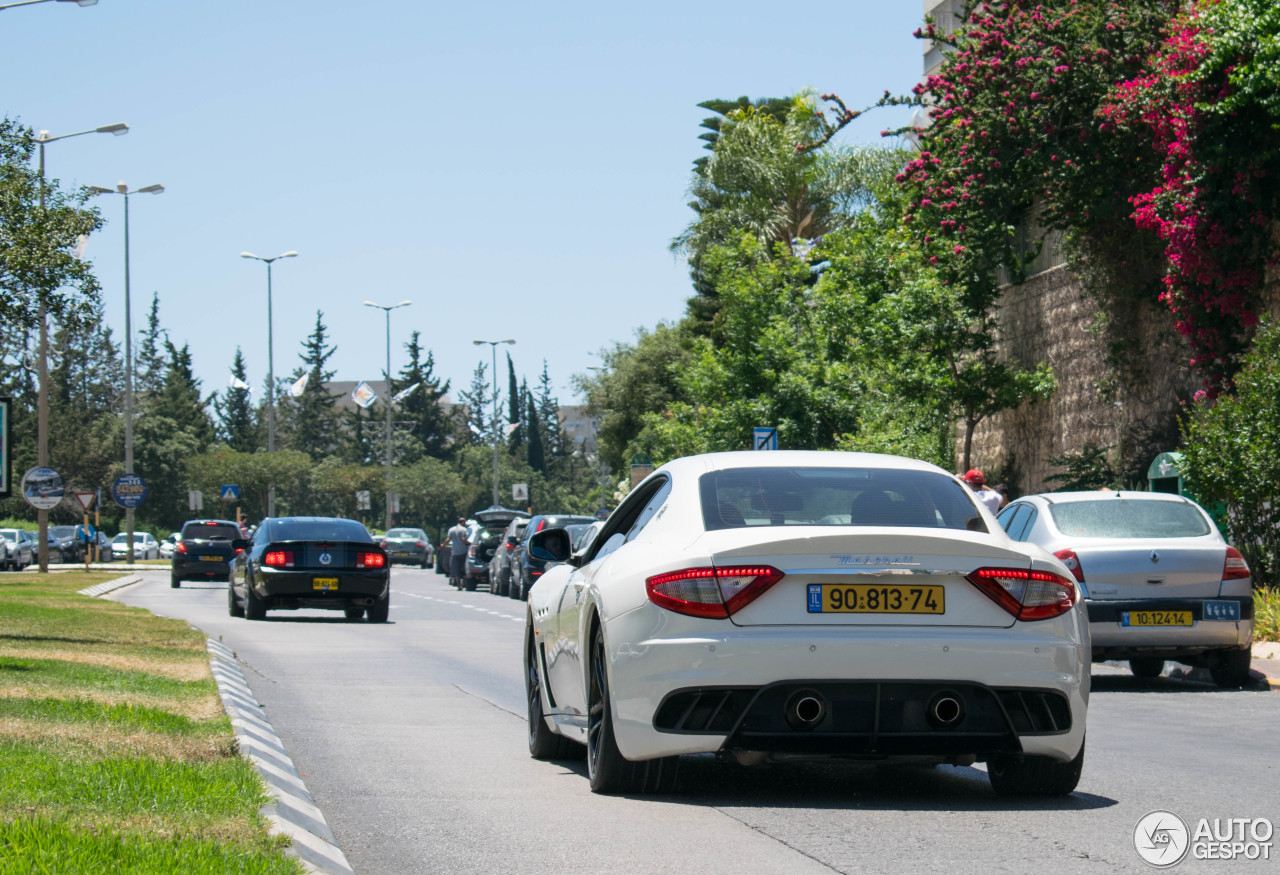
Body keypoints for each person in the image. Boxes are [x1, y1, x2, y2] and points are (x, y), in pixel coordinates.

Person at [446, 516, 470, 589]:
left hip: (455, 552)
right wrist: (468, 543)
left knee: (455, 569)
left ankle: (458, 584)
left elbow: (448, 540)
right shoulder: (464, 529)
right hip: (463, 552)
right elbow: (463, 539)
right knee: (463, 568)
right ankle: (463, 583)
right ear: (463, 522)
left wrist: (442, 546)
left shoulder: (451, 530)